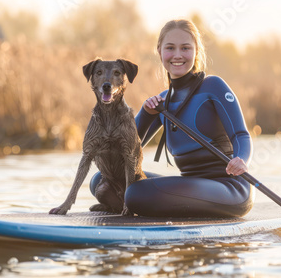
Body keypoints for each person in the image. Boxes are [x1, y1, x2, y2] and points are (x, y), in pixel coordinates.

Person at [90, 19, 254, 218]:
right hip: (190, 187)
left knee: (136, 192)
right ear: (159, 52)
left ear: (196, 51)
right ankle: (132, 203)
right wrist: (147, 115)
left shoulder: (213, 87)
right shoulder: (161, 102)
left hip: (229, 188)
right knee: (101, 179)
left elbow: (241, 135)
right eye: (170, 48)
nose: (178, 55)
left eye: (185, 48)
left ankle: (132, 202)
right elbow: (121, 151)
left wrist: (241, 159)